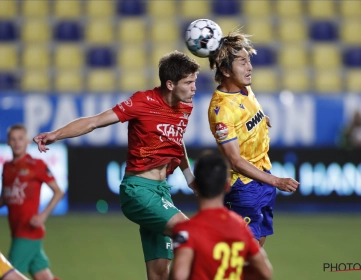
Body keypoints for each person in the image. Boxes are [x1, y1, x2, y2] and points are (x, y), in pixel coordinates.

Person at [33, 51, 200, 280]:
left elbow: (175, 140)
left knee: (159, 274)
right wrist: (56, 134)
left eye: (195, 82)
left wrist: (189, 176)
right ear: (170, 84)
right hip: (138, 191)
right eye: (189, 82)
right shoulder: (143, 101)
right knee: (192, 233)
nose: (194, 88)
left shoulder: (185, 106)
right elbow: (94, 122)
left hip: (161, 193)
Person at [207, 31, 300, 246]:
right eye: (242, 62)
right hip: (243, 188)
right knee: (241, 258)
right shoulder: (221, 110)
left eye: (249, 61)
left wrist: (261, 120)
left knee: (256, 253)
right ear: (225, 69)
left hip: (262, 178)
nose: (249, 67)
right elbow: (235, 161)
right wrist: (277, 181)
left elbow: (248, 114)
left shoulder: (245, 89)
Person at [170, 153, 273, 280]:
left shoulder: (186, 230)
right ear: (227, 186)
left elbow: (179, 275)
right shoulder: (240, 226)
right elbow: (265, 272)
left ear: (195, 184)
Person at [0, 124, 64, 280]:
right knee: (44, 277)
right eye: (13, 139)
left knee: (8, 276)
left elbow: (58, 192)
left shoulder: (36, 165)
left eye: (20, 139)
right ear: (8, 142)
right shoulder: (7, 167)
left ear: (28, 141)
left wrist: (43, 216)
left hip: (27, 231)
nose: (17, 142)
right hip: (17, 231)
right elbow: (5, 198)